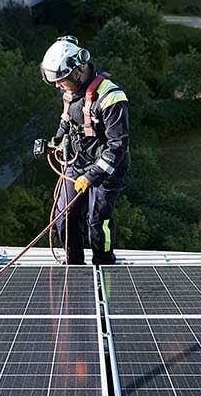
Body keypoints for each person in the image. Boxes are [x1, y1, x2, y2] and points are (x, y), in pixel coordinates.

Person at [39, 36, 130, 265]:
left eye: (61, 81)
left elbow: (117, 146)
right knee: (64, 216)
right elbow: (66, 121)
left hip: (107, 168)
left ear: (78, 71)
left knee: (98, 221)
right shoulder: (70, 92)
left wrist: (91, 176)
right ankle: (73, 263)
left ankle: (103, 262)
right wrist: (54, 142)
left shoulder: (111, 97)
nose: (58, 86)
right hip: (78, 162)